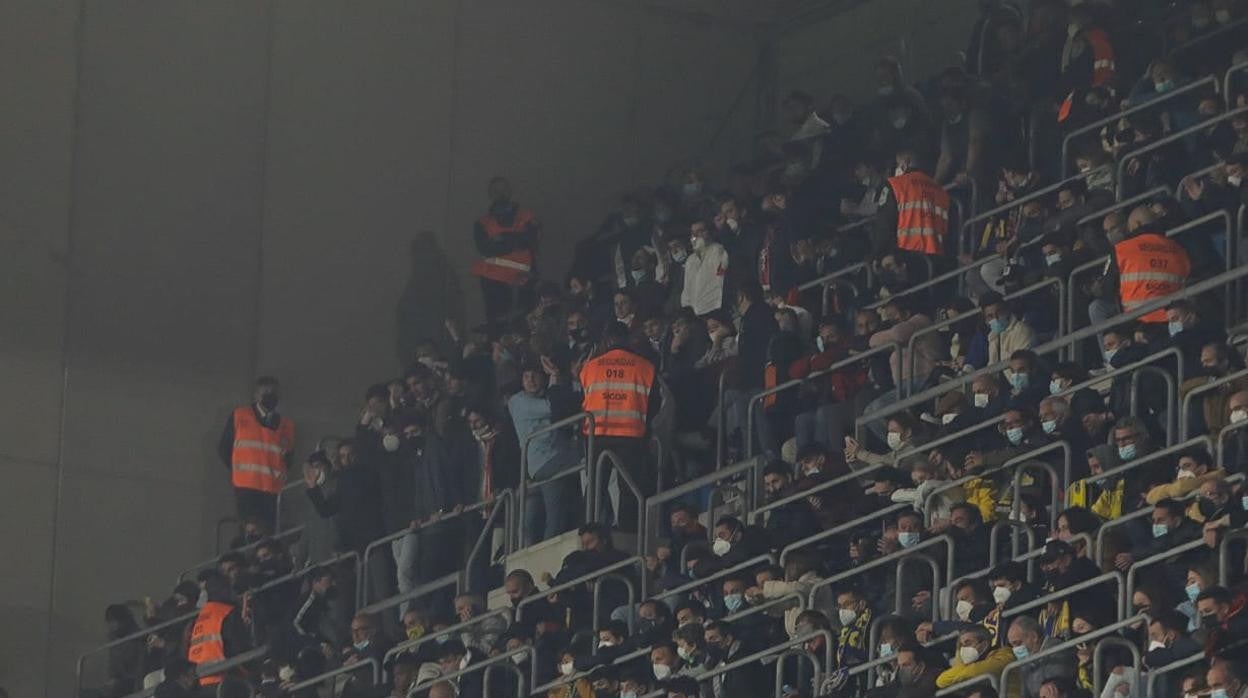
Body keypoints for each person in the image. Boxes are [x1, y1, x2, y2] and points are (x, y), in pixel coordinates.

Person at [577, 321, 659, 530]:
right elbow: (655, 403)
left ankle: (588, 529)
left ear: (607, 340)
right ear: (628, 339)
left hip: (597, 435)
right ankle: (627, 531)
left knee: (596, 486)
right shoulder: (645, 367)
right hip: (631, 434)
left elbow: (582, 400)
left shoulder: (590, 367)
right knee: (628, 488)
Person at [1090, 206, 1192, 327]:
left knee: (1096, 308)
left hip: (1137, 320)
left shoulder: (1122, 249)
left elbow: (1108, 288)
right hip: (1175, 317)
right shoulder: (1178, 248)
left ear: (1136, 225)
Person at [217, 376, 295, 527]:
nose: (269, 395)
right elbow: (224, 450)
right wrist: (240, 472)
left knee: (269, 537)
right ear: (256, 395)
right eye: (265, 392)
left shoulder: (287, 425)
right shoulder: (240, 416)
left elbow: (289, 459)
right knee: (250, 534)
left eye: (273, 392)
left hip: (273, 491)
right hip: (246, 489)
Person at [472, 176, 540, 329]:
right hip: (494, 284)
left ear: (510, 191)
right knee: (498, 328)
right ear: (491, 195)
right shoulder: (482, 224)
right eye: (496, 191)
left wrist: (503, 239)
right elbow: (486, 249)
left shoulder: (526, 217)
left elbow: (531, 240)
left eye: (503, 190)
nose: (500, 194)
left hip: (524, 282)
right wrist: (516, 239)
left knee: (524, 325)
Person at [873, 147, 951, 258]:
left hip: (904, 258)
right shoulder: (941, 191)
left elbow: (884, 224)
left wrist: (879, 255)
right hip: (937, 259)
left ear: (906, 161)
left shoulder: (895, 185)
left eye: (897, 163)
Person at [186, 573, 251, 689]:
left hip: (200, 683)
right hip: (225, 680)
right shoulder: (227, 613)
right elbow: (240, 648)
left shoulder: (197, 618)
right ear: (225, 589)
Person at [1008, 616, 1075, 698]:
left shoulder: (1056, 648)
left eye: (1018, 643)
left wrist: (1051, 685)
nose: (1015, 649)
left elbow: (1057, 682)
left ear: (1034, 636)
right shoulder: (1025, 663)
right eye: (1012, 645)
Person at [935, 626, 1014, 689]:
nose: (963, 648)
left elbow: (975, 671)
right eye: (961, 645)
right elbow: (941, 681)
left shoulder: (1005, 654)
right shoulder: (968, 665)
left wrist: (959, 675)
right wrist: (962, 663)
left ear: (984, 645)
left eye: (968, 643)